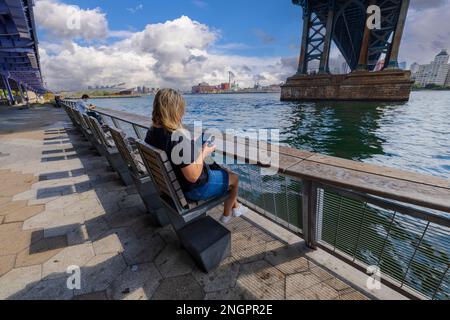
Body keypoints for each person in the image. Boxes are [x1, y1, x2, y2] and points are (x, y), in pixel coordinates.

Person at [145, 88, 247, 224]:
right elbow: (193, 176)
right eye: (181, 109)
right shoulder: (176, 137)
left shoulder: (151, 132)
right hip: (193, 190)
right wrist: (204, 152)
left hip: (172, 184)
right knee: (234, 179)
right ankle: (226, 215)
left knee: (224, 171)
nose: (183, 113)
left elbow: (174, 154)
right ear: (175, 111)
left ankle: (236, 207)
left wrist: (190, 146)